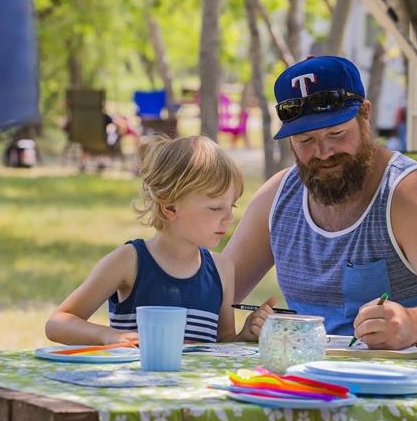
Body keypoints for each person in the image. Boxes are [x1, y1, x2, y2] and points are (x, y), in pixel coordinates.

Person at [224, 56, 417, 350]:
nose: (324, 151)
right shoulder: (277, 198)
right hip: (304, 385)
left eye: (336, 133)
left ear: (365, 115)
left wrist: (414, 325)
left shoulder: (411, 195)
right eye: (305, 140)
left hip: (397, 389)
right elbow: (212, 294)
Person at [46, 135, 273, 345]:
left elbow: (220, 345)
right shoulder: (129, 261)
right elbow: (57, 323)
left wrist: (244, 335)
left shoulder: (222, 269)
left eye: (231, 206)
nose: (229, 218)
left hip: (194, 389)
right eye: (215, 208)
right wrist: (108, 336)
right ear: (169, 207)